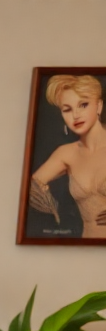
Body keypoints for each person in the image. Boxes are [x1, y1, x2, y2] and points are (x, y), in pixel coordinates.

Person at [29, 74, 106, 239]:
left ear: (99, 106)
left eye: (83, 105)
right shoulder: (66, 153)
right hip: (87, 249)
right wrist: (47, 202)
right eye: (67, 109)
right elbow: (30, 186)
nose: (76, 115)